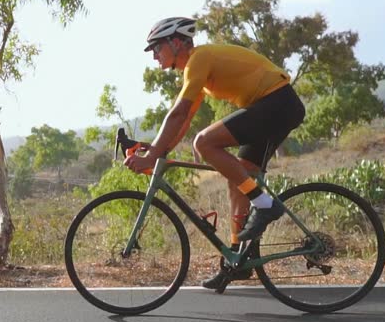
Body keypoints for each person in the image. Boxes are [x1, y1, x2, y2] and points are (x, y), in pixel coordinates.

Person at [124, 16, 305, 289]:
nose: (155, 57)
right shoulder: (197, 70)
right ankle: (237, 261)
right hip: (273, 107)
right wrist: (160, 149)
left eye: (157, 48)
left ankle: (265, 205)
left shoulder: (199, 58)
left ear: (175, 42)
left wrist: (151, 157)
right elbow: (183, 119)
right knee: (238, 180)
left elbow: (178, 113)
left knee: (204, 142)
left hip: (277, 102)